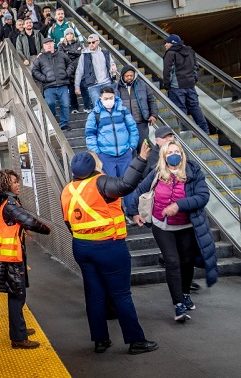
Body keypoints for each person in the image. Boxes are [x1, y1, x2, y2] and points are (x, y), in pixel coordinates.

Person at [61, 148, 159, 355]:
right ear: (93, 167)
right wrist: (141, 159)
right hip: (108, 247)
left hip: (81, 247)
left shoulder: (67, 189)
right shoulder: (101, 183)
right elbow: (126, 185)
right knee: (121, 295)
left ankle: (101, 340)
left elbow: (68, 222)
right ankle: (136, 341)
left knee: (94, 296)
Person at [128, 140, 216, 322]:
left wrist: (178, 205)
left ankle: (184, 293)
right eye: (169, 153)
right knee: (172, 261)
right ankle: (178, 305)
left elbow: (202, 196)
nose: (173, 155)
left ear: (182, 154)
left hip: (186, 226)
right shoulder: (157, 173)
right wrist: (133, 211)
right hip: (162, 226)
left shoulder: (193, 172)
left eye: (176, 151)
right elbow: (139, 191)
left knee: (186, 261)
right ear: (164, 156)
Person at [0, 169, 51, 349]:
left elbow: (13, 222)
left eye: (17, 181)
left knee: (17, 293)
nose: (18, 184)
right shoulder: (9, 203)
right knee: (17, 296)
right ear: (5, 185)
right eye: (14, 182)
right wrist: (47, 229)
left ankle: (20, 329)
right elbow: (29, 220)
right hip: (9, 257)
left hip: (2, 255)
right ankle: (18, 338)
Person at [85, 87, 139, 181]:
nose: (109, 100)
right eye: (106, 98)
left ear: (114, 97)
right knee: (111, 186)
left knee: (128, 183)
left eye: (111, 98)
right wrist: (97, 152)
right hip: (106, 156)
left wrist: (131, 146)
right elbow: (90, 135)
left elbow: (133, 128)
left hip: (125, 154)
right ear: (100, 98)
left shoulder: (123, 110)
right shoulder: (95, 114)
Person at [161, 34, 209, 133]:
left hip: (176, 87)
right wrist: (193, 80)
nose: (165, 45)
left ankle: (185, 131)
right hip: (190, 85)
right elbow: (195, 67)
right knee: (195, 107)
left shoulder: (170, 54)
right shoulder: (190, 52)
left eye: (167, 42)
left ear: (172, 43)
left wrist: (166, 85)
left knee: (180, 109)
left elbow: (167, 71)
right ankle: (205, 131)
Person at [32, 37, 76, 130]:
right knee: (50, 103)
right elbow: (35, 70)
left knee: (65, 104)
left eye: (50, 43)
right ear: (43, 46)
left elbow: (70, 64)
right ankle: (53, 123)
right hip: (49, 86)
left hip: (63, 84)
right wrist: (44, 78)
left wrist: (67, 74)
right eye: (46, 44)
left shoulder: (61, 54)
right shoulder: (41, 58)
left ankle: (64, 124)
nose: (49, 45)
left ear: (53, 44)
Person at [113, 65, 158, 152]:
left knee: (143, 146)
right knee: (130, 148)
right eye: (127, 76)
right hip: (125, 123)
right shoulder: (116, 88)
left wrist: (154, 115)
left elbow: (151, 100)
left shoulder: (142, 85)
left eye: (131, 75)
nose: (129, 78)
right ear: (122, 76)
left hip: (141, 122)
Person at [75, 34, 117, 109]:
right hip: (93, 85)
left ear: (98, 42)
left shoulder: (105, 53)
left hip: (106, 82)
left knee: (111, 105)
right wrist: (77, 86)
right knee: (98, 107)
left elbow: (112, 64)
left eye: (93, 42)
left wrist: (113, 69)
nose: (91, 44)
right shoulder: (84, 55)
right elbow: (79, 71)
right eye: (89, 42)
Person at [58, 28, 86, 114]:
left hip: (79, 68)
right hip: (69, 70)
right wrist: (74, 52)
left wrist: (69, 52)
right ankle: (74, 107)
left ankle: (87, 106)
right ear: (65, 36)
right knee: (71, 91)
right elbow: (62, 56)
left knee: (84, 88)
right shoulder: (61, 45)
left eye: (71, 34)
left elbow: (81, 52)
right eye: (68, 34)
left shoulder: (78, 43)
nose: (70, 35)